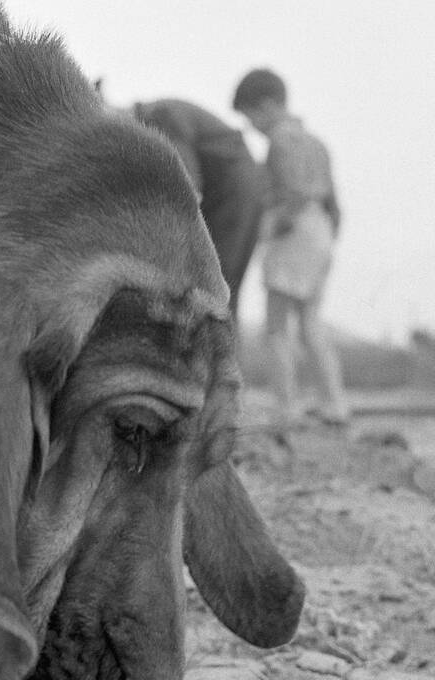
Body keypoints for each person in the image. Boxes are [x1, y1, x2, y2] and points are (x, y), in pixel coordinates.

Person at [233, 68, 350, 427]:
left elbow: (294, 194)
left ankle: (286, 406)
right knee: (311, 322)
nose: (252, 127)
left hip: (293, 232)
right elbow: (334, 204)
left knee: (276, 326)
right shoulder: (316, 143)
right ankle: (334, 404)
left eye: (250, 117)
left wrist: (269, 230)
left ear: (266, 107)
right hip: (321, 233)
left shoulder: (281, 143)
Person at [129, 98, 268, 321]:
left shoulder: (159, 115)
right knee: (226, 290)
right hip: (247, 189)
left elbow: (188, 186)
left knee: (212, 287)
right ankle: (224, 351)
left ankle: (212, 351)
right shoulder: (166, 110)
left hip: (233, 194)